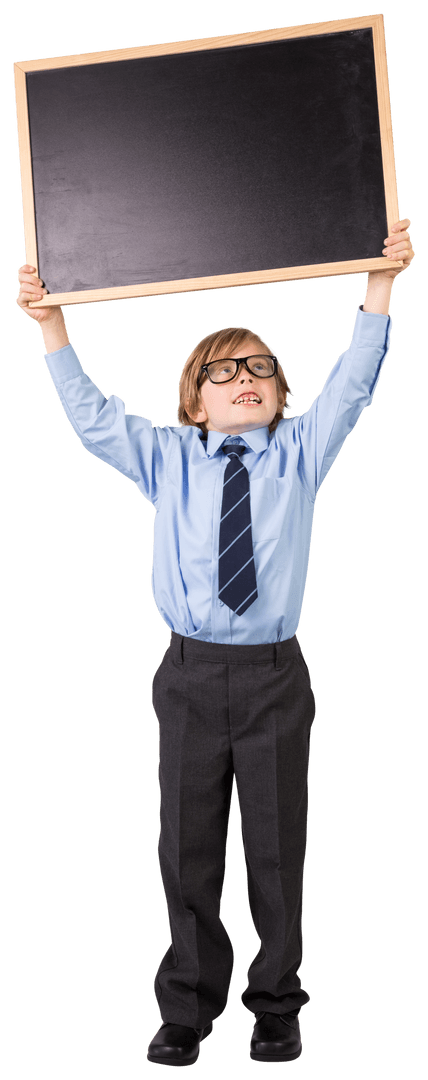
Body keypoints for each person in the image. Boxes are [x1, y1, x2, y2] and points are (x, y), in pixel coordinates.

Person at [16, 218, 415, 1066]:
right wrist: (53, 326)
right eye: (223, 371)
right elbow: (92, 420)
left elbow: (352, 385)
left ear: (280, 392)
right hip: (189, 675)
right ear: (194, 399)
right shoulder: (168, 458)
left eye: (260, 368)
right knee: (188, 848)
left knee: (276, 848)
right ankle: (187, 1009)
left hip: (275, 678)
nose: (245, 378)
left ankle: (276, 1005)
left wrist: (379, 283)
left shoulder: (301, 454)